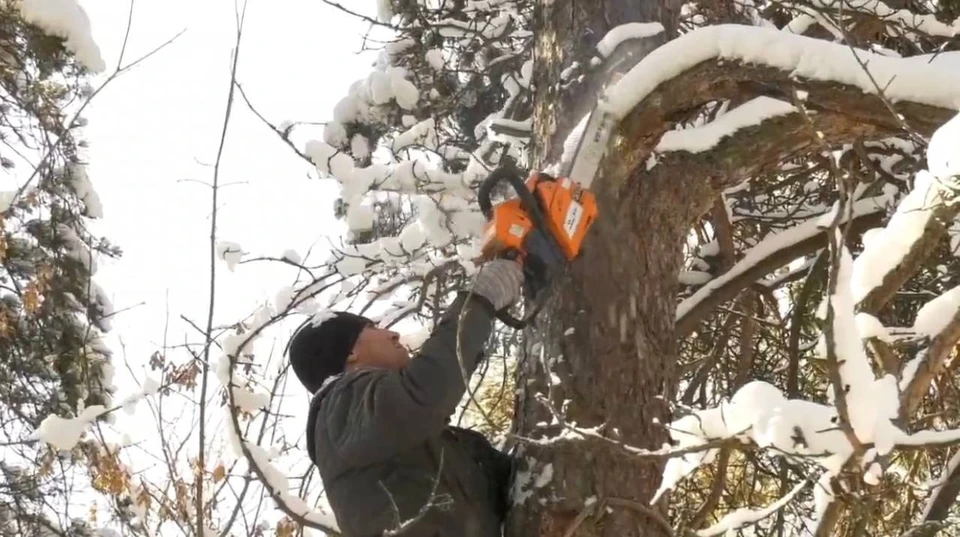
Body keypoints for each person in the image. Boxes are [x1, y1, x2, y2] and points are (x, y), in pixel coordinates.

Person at [288, 258, 525, 537]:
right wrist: (480, 298)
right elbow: (427, 388)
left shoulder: (423, 444)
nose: (393, 333)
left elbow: (513, 485)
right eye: (373, 328)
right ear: (350, 353)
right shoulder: (340, 406)